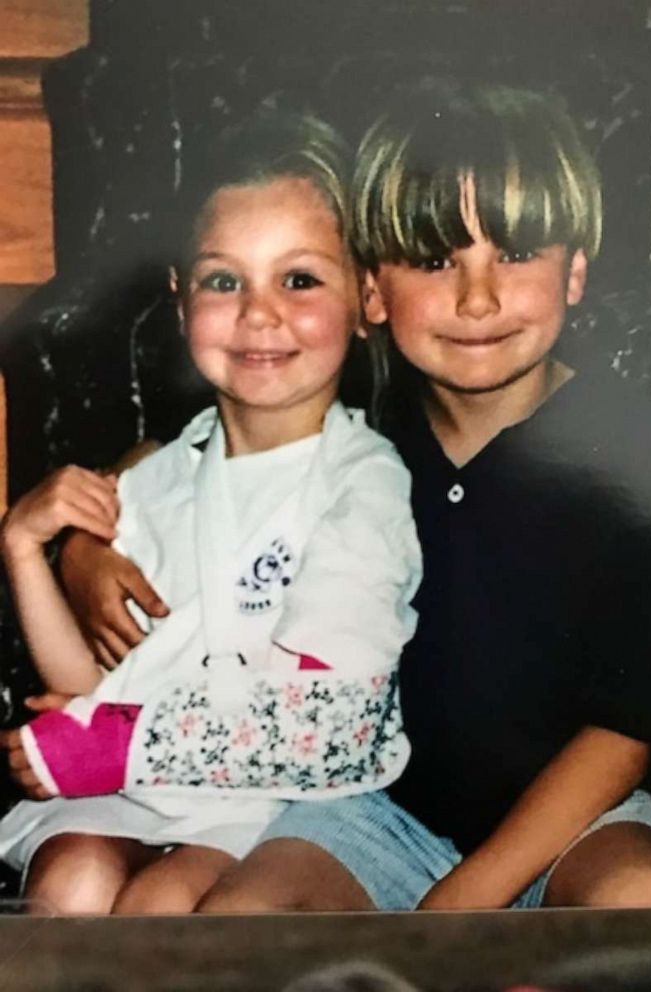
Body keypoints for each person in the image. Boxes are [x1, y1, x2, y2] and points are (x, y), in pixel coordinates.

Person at [22, 80, 651, 911]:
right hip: (373, 815)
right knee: (242, 919)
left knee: (648, 909)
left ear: (576, 275)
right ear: (374, 295)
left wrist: (458, 907)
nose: (478, 298)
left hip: (575, 820)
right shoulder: (366, 422)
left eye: (516, 254)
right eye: (434, 260)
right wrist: (88, 547)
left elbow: (624, 735)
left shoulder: (641, 459)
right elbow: (194, 448)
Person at [0, 106, 420, 915]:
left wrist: (106, 745)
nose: (260, 314)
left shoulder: (360, 483)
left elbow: (319, 731)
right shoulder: (164, 474)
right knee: (72, 883)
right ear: (180, 295)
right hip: (136, 788)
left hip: (267, 804)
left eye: (299, 279)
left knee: (161, 909)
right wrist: (24, 547)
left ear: (366, 294)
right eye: (224, 280)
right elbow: (94, 683)